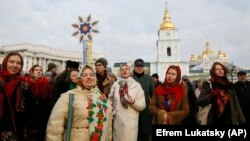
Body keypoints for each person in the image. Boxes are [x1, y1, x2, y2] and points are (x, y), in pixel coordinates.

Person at [46, 65, 113, 141]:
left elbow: (108, 125)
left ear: (95, 78)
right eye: (85, 75)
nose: (89, 77)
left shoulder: (102, 98)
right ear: (80, 78)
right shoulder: (68, 96)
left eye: (92, 75)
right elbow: (55, 126)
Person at [109, 64, 146, 141]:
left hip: (131, 125)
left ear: (130, 71)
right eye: (122, 69)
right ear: (120, 72)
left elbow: (142, 106)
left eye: (127, 69)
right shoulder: (115, 85)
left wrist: (133, 102)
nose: (124, 71)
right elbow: (110, 101)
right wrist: (111, 108)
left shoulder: (136, 85)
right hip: (118, 124)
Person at [0, 52, 28, 140]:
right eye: (11, 62)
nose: (15, 65)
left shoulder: (25, 85)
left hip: (17, 131)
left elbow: (29, 110)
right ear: (5, 63)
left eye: (19, 63)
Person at [25, 64, 52, 141]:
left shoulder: (46, 82)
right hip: (30, 112)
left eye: (40, 70)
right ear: (32, 72)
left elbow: (48, 98)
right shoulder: (27, 82)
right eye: (36, 70)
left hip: (42, 112)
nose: (38, 71)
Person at [132, 58, 154, 141]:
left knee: (145, 134)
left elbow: (154, 96)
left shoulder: (149, 79)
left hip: (145, 111)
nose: (139, 68)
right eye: (137, 66)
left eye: (141, 66)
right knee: (134, 133)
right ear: (134, 67)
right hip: (133, 110)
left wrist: (153, 109)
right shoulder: (130, 79)